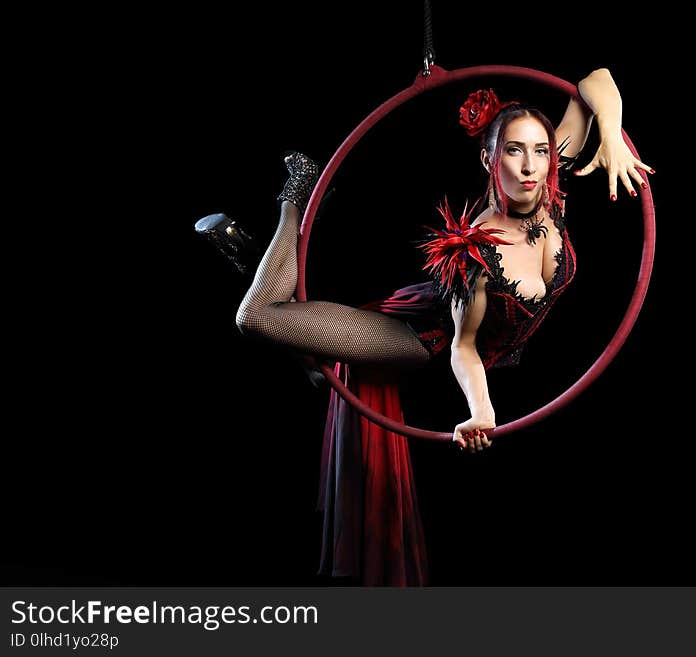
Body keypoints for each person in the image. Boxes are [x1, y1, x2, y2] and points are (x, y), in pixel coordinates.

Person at [197, 68, 652, 586]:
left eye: (541, 150)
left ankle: (254, 260)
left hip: (476, 329)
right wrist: (482, 412)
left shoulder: (551, 185)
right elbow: (463, 347)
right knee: (261, 321)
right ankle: (295, 195)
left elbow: (597, 81)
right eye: (514, 152)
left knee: (322, 376)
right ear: (489, 158)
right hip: (420, 334)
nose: (530, 168)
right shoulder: (477, 250)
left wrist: (612, 136)